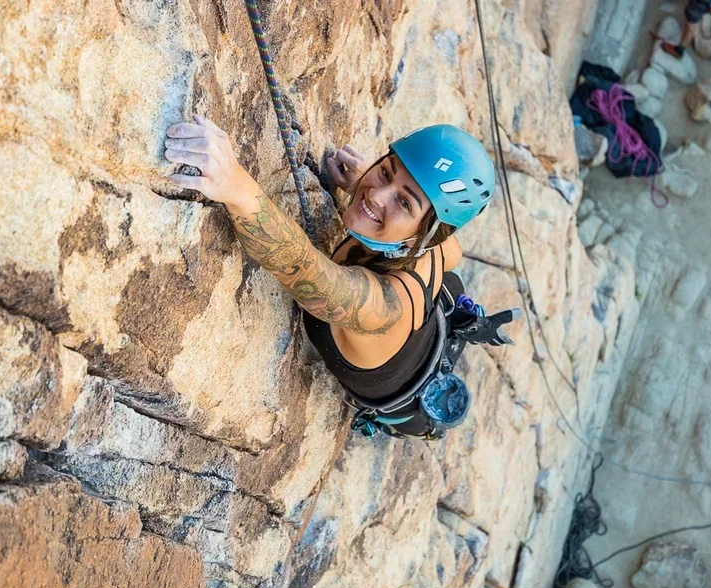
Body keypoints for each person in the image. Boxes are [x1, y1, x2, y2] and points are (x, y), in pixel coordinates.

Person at [163, 118, 515, 438]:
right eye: (387, 171)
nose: (376, 195)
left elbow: (310, 273)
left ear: (424, 236)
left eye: (405, 204)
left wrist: (237, 187)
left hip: (405, 389)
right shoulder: (436, 248)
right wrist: (367, 186)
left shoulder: (386, 311)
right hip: (434, 318)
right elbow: (454, 253)